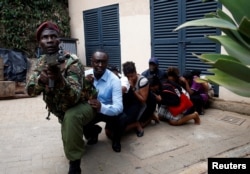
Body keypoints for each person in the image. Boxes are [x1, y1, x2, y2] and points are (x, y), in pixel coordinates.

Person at [26, 21, 96, 174]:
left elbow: (75, 97)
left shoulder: (72, 62)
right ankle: (92, 131)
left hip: (86, 104)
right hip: (61, 108)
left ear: (59, 40)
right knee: (69, 123)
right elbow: (30, 91)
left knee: (71, 118)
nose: (49, 40)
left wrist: (59, 79)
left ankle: (75, 163)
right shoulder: (40, 63)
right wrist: (41, 81)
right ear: (40, 42)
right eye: (45, 38)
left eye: (53, 36)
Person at [83, 49, 124, 153]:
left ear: (107, 63)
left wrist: (102, 107)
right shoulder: (84, 76)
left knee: (119, 117)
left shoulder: (114, 80)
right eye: (97, 61)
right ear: (91, 61)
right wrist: (85, 85)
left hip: (108, 110)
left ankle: (116, 141)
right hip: (91, 110)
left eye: (103, 62)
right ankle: (94, 132)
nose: (100, 65)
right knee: (79, 118)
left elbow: (119, 107)